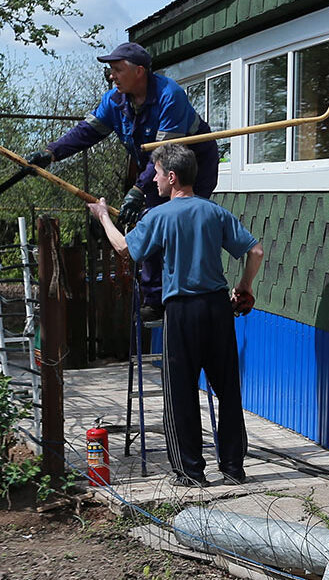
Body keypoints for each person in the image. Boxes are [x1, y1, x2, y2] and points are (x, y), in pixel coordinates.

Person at [86, 143, 264, 487]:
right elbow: (254, 250)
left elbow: (124, 248)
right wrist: (245, 286)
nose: (153, 181)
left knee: (180, 393)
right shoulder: (215, 212)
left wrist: (104, 216)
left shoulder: (160, 216)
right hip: (217, 308)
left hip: (182, 311)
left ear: (172, 176)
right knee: (228, 391)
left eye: (156, 174)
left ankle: (190, 473)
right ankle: (232, 469)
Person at [26, 42, 222, 321]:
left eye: (117, 69)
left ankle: (187, 290)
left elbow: (163, 152)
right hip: (157, 166)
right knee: (150, 220)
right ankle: (156, 299)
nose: (111, 76)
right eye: (110, 70)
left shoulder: (170, 96)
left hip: (194, 164)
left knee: (180, 218)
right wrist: (51, 153)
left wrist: (138, 189)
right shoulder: (114, 101)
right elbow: (86, 132)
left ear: (139, 71)